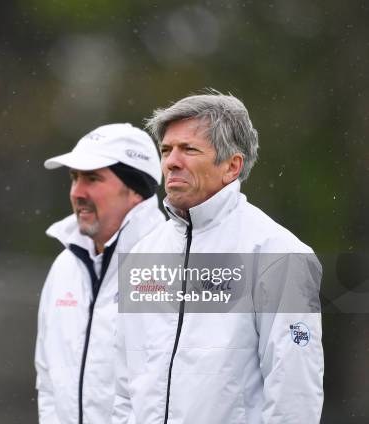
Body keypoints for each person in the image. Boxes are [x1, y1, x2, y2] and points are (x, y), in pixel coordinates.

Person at [114, 91, 324, 424]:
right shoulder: (142, 255)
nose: (171, 161)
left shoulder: (280, 253)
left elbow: (294, 391)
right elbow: (124, 388)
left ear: (231, 167)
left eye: (189, 149)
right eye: (166, 150)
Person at [35, 123, 166, 424]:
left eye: (92, 178)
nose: (77, 192)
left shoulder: (170, 264)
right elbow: (47, 379)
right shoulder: (63, 267)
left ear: (135, 190)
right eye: (74, 178)